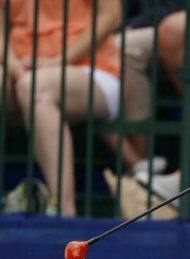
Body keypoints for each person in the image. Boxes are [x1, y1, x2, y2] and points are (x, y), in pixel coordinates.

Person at [2, 0, 121, 216]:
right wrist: (14, 66)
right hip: (20, 68)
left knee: (34, 86)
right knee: (29, 83)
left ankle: (64, 211)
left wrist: (58, 61)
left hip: (91, 68)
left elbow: (111, 15)